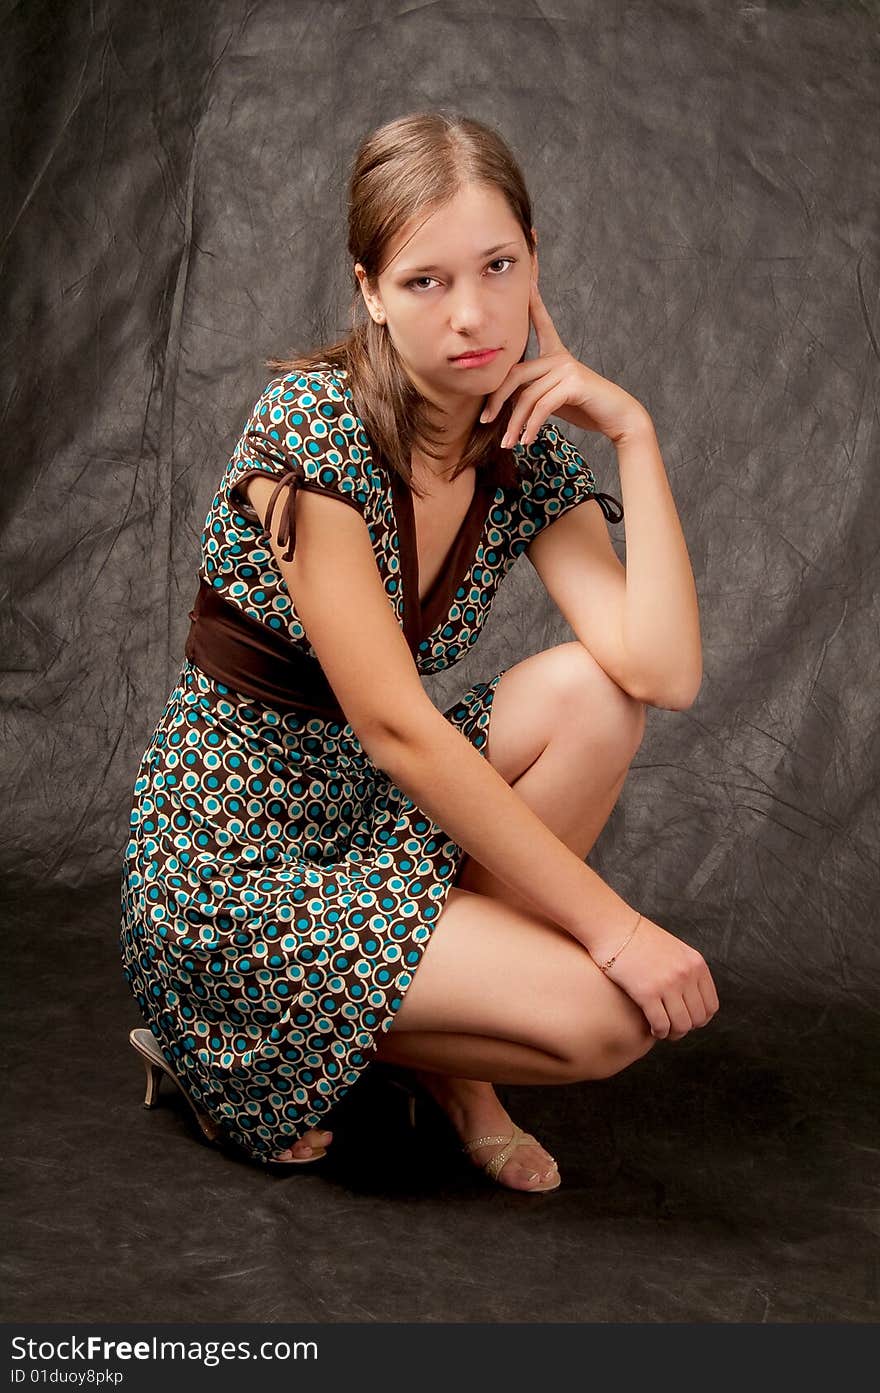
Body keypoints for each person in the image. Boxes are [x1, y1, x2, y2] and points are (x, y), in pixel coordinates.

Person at [121, 111, 719, 1193]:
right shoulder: (314, 431)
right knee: (603, 1016)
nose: (473, 315)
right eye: (425, 282)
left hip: (364, 814)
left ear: (535, 261)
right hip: (238, 864)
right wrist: (617, 929)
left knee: (598, 694)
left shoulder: (519, 441)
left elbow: (660, 670)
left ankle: (438, 1068)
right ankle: (229, 1047)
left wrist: (632, 432)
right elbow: (398, 731)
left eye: (497, 267)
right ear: (369, 291)